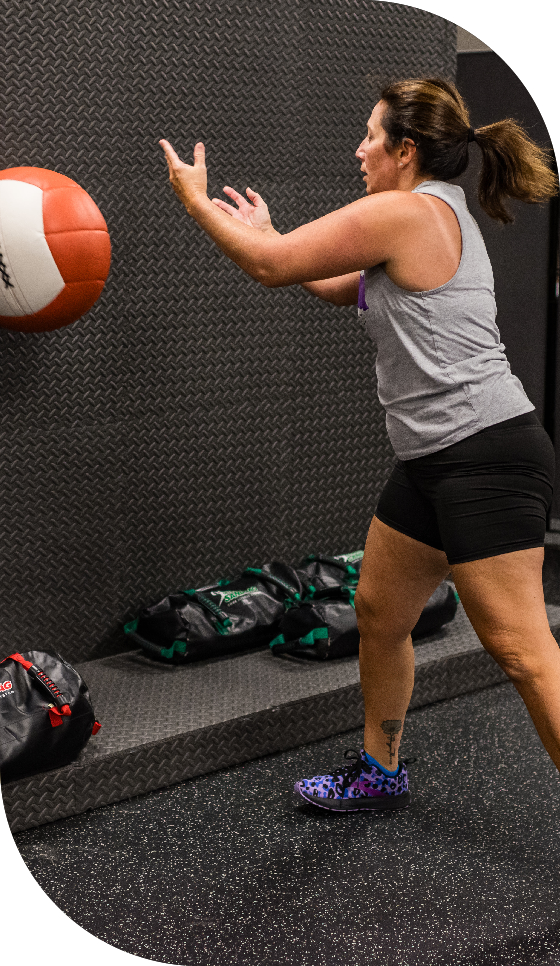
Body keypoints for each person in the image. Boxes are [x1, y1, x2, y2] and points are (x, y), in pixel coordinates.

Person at [160, 76, 559, 813]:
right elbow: (327, 281)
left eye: (371, 136)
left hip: (486, 457)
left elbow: (271, 269)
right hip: (434, 461)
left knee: (525, 656)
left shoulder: (405, 212)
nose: (360, 149)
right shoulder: (430, 214)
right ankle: (381, 773)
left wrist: (194, 202)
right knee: (380, 613)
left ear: (405, 151)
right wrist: (274, 234)